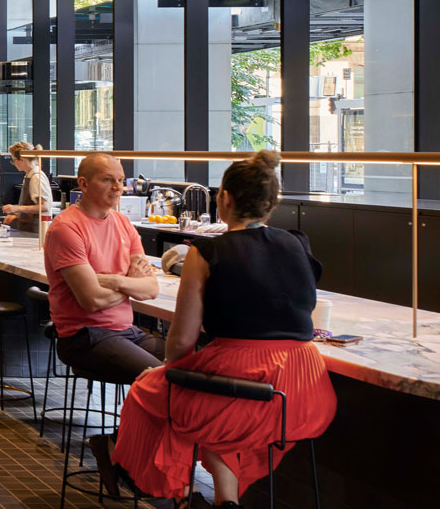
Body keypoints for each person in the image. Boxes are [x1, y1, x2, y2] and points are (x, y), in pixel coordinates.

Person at [98, 151, 336, 505]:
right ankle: (227, 501)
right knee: (218, 414)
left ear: (223, 198)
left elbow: (180, 343)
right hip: (305, 387)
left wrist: (166, 370)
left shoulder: (207, 251)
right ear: (271, 204)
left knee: (152, 392)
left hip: (240, 372)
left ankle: (136, 473)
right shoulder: (298, 243)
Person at [43, 153, 162, 387]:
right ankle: (134, 425)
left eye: (121, 180)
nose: (118, 187)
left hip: (127, 331)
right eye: (108, 180)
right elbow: (92, 300)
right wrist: (130, 281)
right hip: (84, 337)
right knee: (161, 379)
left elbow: (151, 289)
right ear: (84, 184)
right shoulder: (66, 228)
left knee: (191, 369)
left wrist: (114, 281)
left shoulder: (123, 223)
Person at [1, 141, 53, 232]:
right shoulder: (29, 176)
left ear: (22, 159)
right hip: (29, 228)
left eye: (14, 160)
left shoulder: (36, 177)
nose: (13, 164)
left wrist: (16, 208)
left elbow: (44, 207)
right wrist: (17, 215)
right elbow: (30, 205)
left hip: (37, 230)